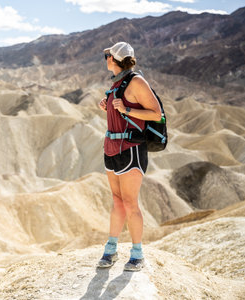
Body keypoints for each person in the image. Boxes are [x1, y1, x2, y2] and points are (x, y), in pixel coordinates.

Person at [97, 42, 162, 271]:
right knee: (116, 200)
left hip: (131, 148)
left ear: (113, 59)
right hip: (112, 146)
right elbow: (121, 110)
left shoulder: (136, 81)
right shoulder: (117, 83)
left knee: (130, 203)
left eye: (107, 55)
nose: (105, 58)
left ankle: (137, 254)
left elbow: (156, 114)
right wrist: (109, 107)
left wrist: (126, 110)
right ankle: (111, 249)